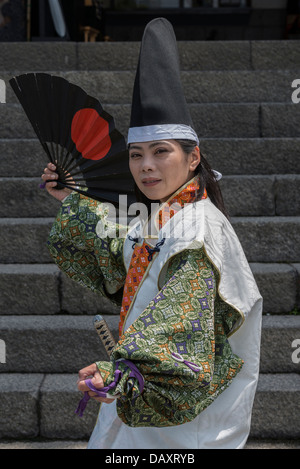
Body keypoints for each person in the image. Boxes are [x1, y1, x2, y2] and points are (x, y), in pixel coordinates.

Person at [42, 18, 262, 449]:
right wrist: (70, 199)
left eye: (162, 153)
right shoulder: (160, 217)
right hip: (145, 404)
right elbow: (117, 252)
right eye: (137, 154)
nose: (146, 167)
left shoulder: (197, 232)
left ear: (193, 157)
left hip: (187, 419)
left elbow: (180, 322)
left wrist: (121, 371)